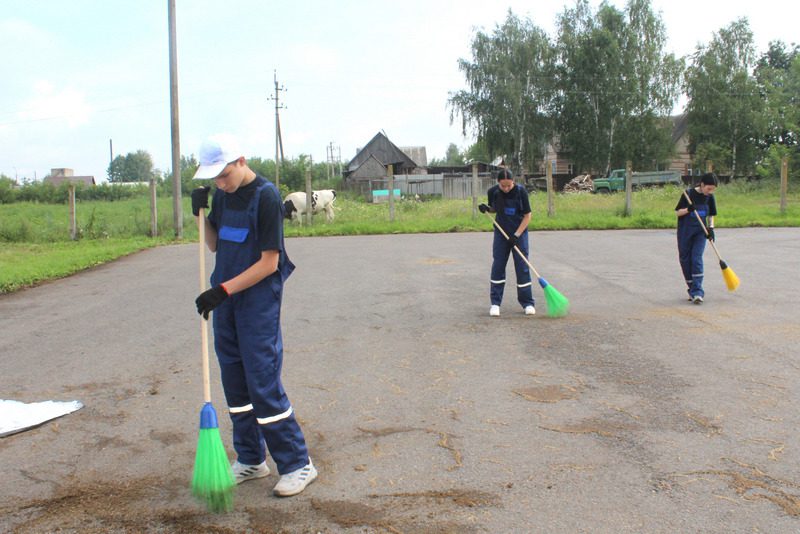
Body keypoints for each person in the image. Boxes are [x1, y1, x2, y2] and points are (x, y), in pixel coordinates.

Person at [191, 133, 317, 497]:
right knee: (235, 382)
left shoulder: (266, 196)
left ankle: (298, 464)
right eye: (214, 177)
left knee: (262, 382)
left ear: (241, 161)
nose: (220, 183)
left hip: (257, 301)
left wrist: (223, 290)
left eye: (224, 174)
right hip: (226, 301)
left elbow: (269, 263)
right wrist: (201, 215)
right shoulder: (222, 196)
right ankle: (250, 459)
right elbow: (214, 244)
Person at [478, 168, 535, 317]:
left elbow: (528, 216)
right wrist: (487, 208)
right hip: (501, 233)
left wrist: (516, 235)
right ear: (498, 183)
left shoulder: (521, 192)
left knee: (522, 267)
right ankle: (495, 303)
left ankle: (528, 303)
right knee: (498, 266)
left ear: (513, 181)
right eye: (503, 186)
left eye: (509, 185)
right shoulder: (493, 192)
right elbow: (495, 209)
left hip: (519, 234)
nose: (506, 188)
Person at [674, 172, 718, 304]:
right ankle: (692, 289)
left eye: (713, 190)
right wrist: (688, 209)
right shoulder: (688, 194)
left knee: (696, 258)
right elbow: (678, 212)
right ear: (702, 185)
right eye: (708, 189)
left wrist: (711, 228)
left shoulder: (710, 198)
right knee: (685, 260)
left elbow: (711, 215)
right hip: (685, 232)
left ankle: (698, 292)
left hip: (700, 232)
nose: (710, 192)